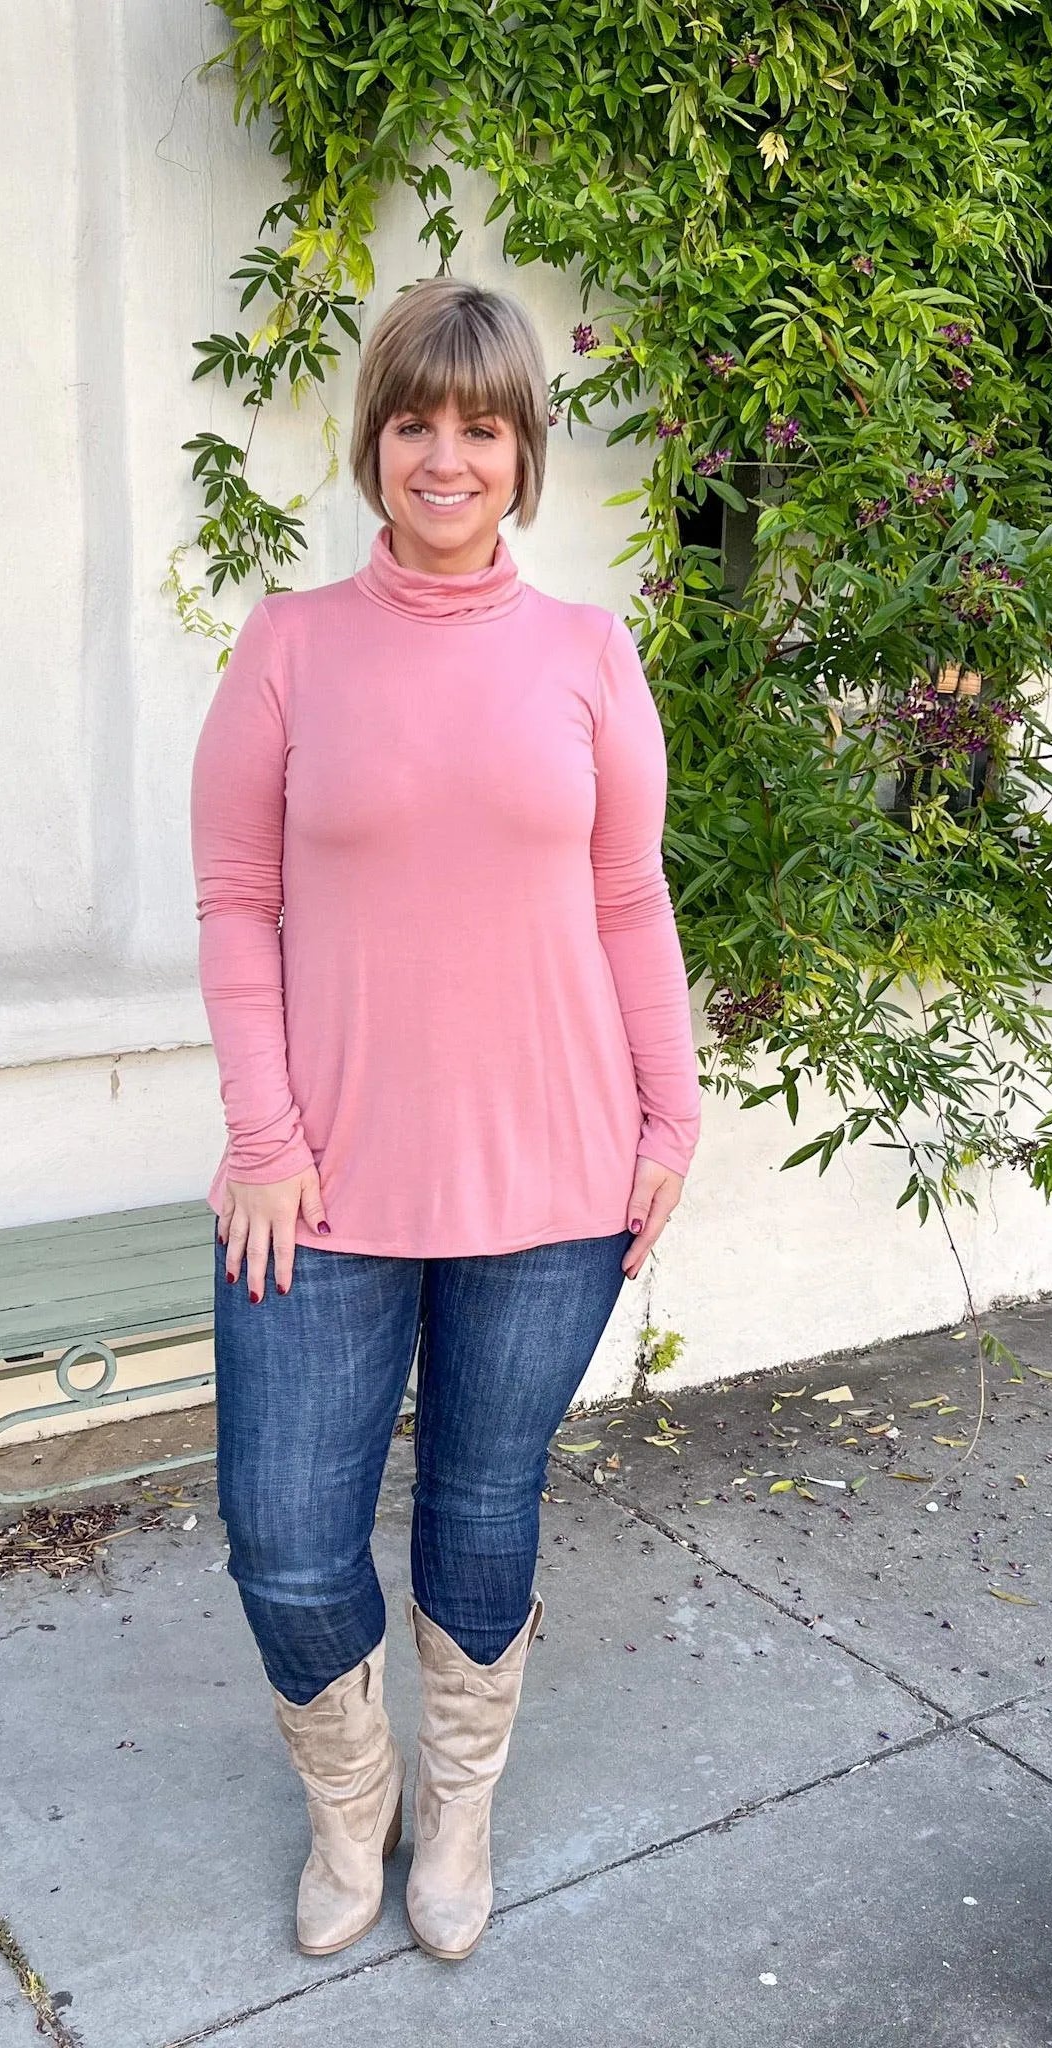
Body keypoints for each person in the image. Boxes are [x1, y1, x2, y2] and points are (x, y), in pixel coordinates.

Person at [189, 274, 701, 1965]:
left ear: (521, 450)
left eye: (479, 427)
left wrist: (670, 1116)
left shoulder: (588, 654)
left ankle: (455, 1809)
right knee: (284, 1538)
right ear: (374, 440)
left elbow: (626, 899)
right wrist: (263, 1139)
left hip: (551, 1178)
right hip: (316, 1187)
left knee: (483, 1506)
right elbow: (237, 904)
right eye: (413, 421)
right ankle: (353, 1805)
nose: (443, 457)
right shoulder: (288, 648)